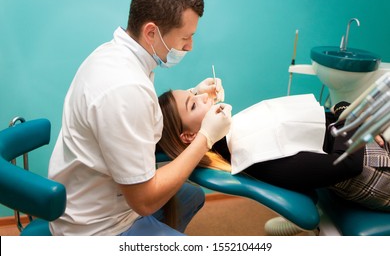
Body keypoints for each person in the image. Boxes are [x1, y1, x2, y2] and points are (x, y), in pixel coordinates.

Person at [48, 0, 232, 236]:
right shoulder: (125, 88)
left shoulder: (115, 55)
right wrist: (206, 137)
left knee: (190, 196)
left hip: (94, 198)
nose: (189, 47)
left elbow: (138, 118)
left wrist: (194, 94)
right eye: (185, 38)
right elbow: (145, 201)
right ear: (151, 32)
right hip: (99, 230)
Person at [157, 89, 390, 212]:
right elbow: (347, 164)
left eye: (194, 91)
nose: (204, 96)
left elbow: (327, 121)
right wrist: (350, 116)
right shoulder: (253, 153)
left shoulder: (234, 133)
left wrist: (344, 111)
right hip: (374, 168)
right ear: (188, 136)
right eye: (194, 103)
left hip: (357, 140)